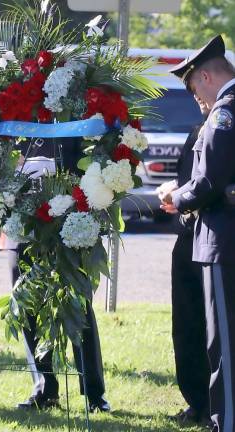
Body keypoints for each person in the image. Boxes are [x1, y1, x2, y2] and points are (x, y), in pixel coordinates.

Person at [159, 35, 235, 432]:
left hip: (222, 240)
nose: (196, 99)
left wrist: (177, 197)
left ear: (205, 76)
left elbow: (207, 182)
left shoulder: (225, 112)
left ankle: (226, 421)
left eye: (193, 89)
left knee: (222, 344)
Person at [6, 137, 110, 413]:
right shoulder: (12, 112)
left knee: (79, 304)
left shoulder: (71, 109)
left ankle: (94, 394)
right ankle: (44, 387)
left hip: (71, 218)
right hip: (22, 221)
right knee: (27, 303)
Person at [158, 98, 211, 426]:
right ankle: (196, 399)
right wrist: (176, 191)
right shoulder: (198, 130)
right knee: (187, 325)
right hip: (188, 236)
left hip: (214, 240)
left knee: (213, 327)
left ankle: (215, 405)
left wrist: (180, 194)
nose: (196, 98)